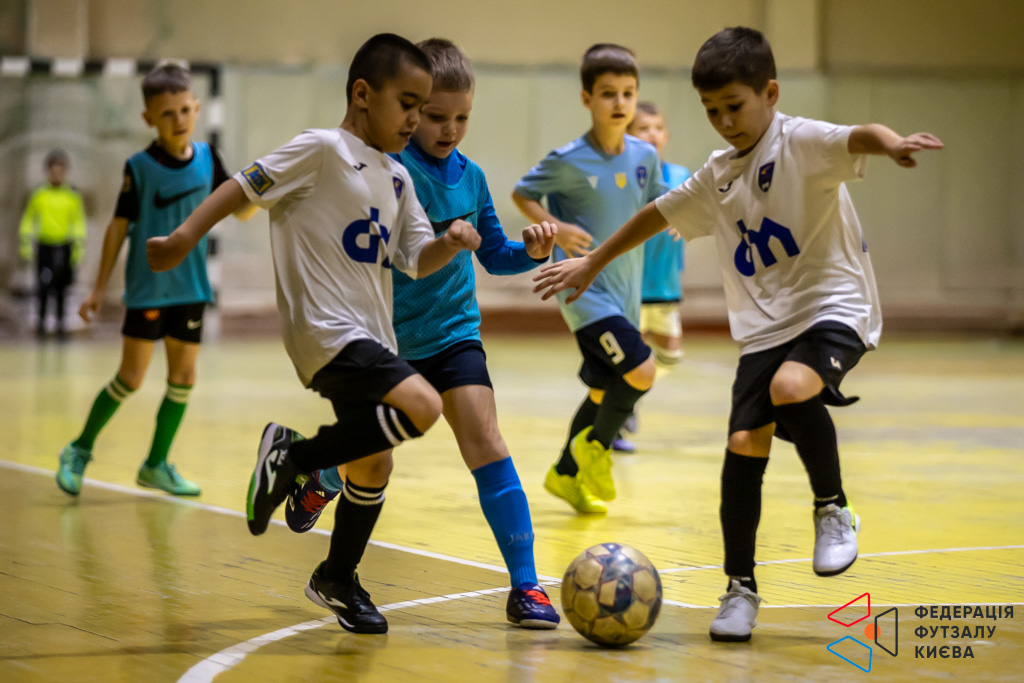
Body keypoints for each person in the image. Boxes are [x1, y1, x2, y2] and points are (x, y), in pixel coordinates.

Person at [532, 26, 942, 642]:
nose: (724, 122)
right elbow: (656, 214)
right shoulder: (719, 173)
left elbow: (859, 135)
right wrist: (592, 262)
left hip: (833, 305)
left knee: (791, 387)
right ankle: (740, 589)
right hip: (766, 327)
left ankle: (833, 508)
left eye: (735, 106)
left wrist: (892, 144)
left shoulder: (800, 140)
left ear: (769, 93)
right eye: (711, 111)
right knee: (745, 443)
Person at [147, 34, 483, 635]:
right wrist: (182, 239)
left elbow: (414, 259)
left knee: (374, 463)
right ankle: (295, 457)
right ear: (363, 94)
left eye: (421, 106)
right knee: (424, 405)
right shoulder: (323, 149)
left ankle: (337, 577)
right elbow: (241, 187)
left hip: (373, 335)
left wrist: (449, 243)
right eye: (407, 103)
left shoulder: (398, 178)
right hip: (326, 329)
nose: (415, 119)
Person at [285, 38, 560, 629]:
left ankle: (527, 586)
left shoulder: (473, 177)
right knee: (372, 458)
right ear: (410, 109)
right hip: (386, 343)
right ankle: (324, 477)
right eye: (436, 116)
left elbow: (495, 255)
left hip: (454, 335)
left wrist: (532, 252)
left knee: (486, 441)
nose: (449, 129)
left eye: (462, 117)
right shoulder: (385, 172)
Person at [56, 63, 248, 497]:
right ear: (149, 118)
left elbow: (242, 209)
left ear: (196, 107)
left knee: (184, 378)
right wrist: (98, 287)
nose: (179, 120)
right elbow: (117, 227)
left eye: (185, 110)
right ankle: (78, 449)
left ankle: (156, 465)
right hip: (148, 291)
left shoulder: (209, 159)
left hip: (191, 289)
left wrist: (267, 191)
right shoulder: (139, 167)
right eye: (167, 113)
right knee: (131, 378)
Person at [512, 44, 666, 514]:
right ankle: (596, 450)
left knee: (603, 389)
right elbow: (523, 193)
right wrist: (555, 227)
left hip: (625, 291)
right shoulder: (568, 159)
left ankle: (565, 473)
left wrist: (682, 217)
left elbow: (658, 201)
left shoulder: (645, 155)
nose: (620, 102)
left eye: (628, 93)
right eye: (608, 93)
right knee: (641, 370)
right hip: (584, 292)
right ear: (587, 99)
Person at [619, 102, 693, 448]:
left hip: (665, 285)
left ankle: (627, 396)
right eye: (643, 128)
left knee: (670, 355)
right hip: (629, 285)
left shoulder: (681, 175)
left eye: (657, 128)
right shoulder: (622, 177)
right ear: (628, 136)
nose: (652, 134)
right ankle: (617, 417)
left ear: (666, 135)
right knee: (629, 356)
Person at [19, 149, 86, 340]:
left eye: (60, 170)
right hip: (45, 245)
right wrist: (25, 242)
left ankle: (61, 324)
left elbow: (78, 221)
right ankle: (41, 324)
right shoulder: (39, 194)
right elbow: (28, 219)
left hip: (64, 245)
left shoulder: (72, 195)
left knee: (62, 287)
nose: (57, 174)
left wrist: (79, 245)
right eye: (53, 170)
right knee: (43, 286)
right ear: (48, 171)